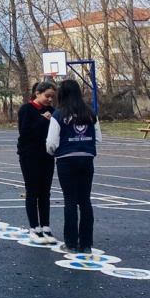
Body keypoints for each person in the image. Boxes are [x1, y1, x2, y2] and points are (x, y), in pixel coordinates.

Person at [45, 79, 100, 254]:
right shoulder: (91, 114)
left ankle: (71, 242)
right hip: (86, 158)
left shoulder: (59, 114)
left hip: (66, 159)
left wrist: (54, 152)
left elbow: (51, 142)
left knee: (70, 200)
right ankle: (86, 243)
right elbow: (98, 138)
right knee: (85, 201)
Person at [17, 82, 58, 245]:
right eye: (47, 96)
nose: (49, 99)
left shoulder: (53, 112)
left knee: (45, 192)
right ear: (38, 93)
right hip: (29, 155)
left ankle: (46, 226)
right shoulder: (26, 109)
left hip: (47, 155)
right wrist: (43, 120)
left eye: (52, 97)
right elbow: (25, 132)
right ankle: (34, 228)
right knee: (32, 190)